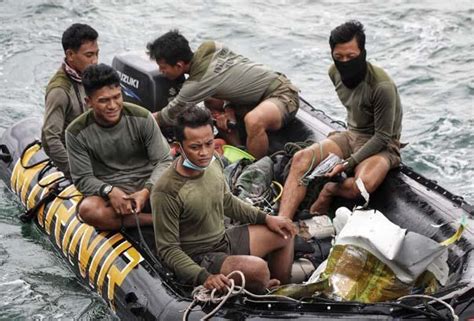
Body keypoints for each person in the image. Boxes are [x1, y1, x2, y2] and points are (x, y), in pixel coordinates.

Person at [151, 106, 296, 293]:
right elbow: (168, 250)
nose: (204, 153)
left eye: (208, 144)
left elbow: (227, 201)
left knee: (285, 232)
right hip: (199, 258)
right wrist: (204, 276)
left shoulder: (213, 162)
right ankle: (261, 292)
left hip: (224, 239)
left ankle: (281, 293)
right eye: (195, 147)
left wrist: (267, 218)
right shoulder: (166, 190)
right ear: (179, 148)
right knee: (258, 270)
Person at [278, 20, 403, 219]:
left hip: (381, 144)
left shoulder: (381, 87)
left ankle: (329, 190)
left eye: (351, 56)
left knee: (362, 187)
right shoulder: (333, 73)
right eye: (339, 57)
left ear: (363, 53)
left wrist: (348, 164)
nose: (345, 62)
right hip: (351, 135)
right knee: (300, 159)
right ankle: (282, 222)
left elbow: (382, 136)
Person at [146, 30, 300, 159]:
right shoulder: (211, 46)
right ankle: (238, 144)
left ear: (179, 65)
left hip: (282, 93)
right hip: (255, 96)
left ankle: (254, 167)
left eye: (163, 67)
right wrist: (228, 107)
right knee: (211, 101)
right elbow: (229, 77)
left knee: (253, 121)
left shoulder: (198, 83)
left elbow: (168, 115)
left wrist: (143, 120)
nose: (161, 71)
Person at [66, 64, 172, 230]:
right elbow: (82, 178)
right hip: (111, 196)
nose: (113, 105)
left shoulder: (142, 117)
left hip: (150, 186)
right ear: (89, 102)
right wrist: (110, 191)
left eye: (117, 97)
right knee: (88, 210)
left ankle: (134, 218)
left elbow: (164, 160)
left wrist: (146, 191)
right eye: (104, 101)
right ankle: (153, 220)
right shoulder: (75, 132)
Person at [41, 23, 99, 178]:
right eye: (89, 55)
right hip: (76, 160)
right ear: (70, 55)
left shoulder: (90, 76)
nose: (95, 61)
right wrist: (76, 172)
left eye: (96, 54)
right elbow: (49, 138)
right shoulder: (59, 91)